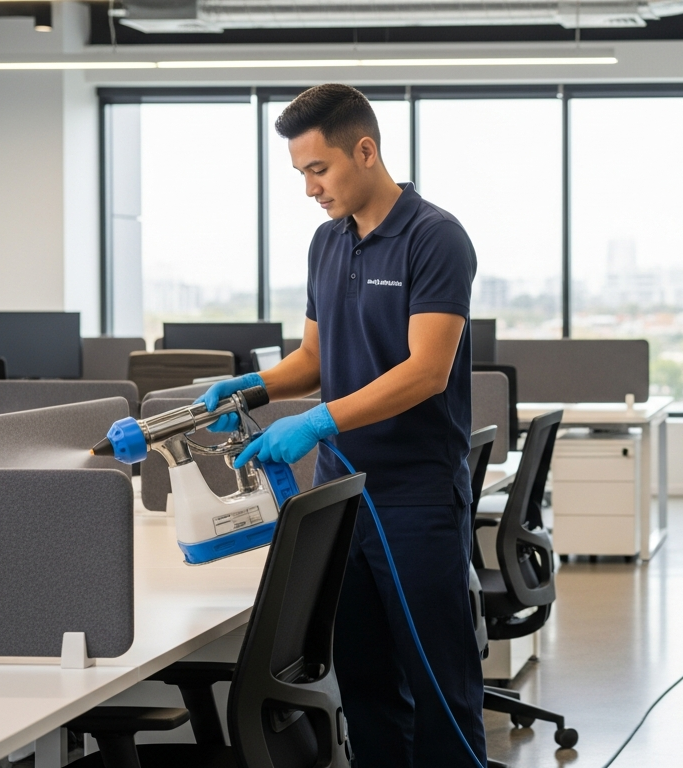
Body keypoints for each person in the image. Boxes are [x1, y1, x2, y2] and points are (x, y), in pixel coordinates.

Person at [197, 84, 485, 767]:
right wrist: (255, 386)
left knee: (439, 686)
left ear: (366, 150)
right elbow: (314, 360)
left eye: (317, 170)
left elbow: (426, 371)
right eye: (300, 174)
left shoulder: (434, 237)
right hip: (339, 500)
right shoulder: (327, 243)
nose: (308, 189)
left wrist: (320, 419)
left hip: (414, 496)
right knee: (362, 684)